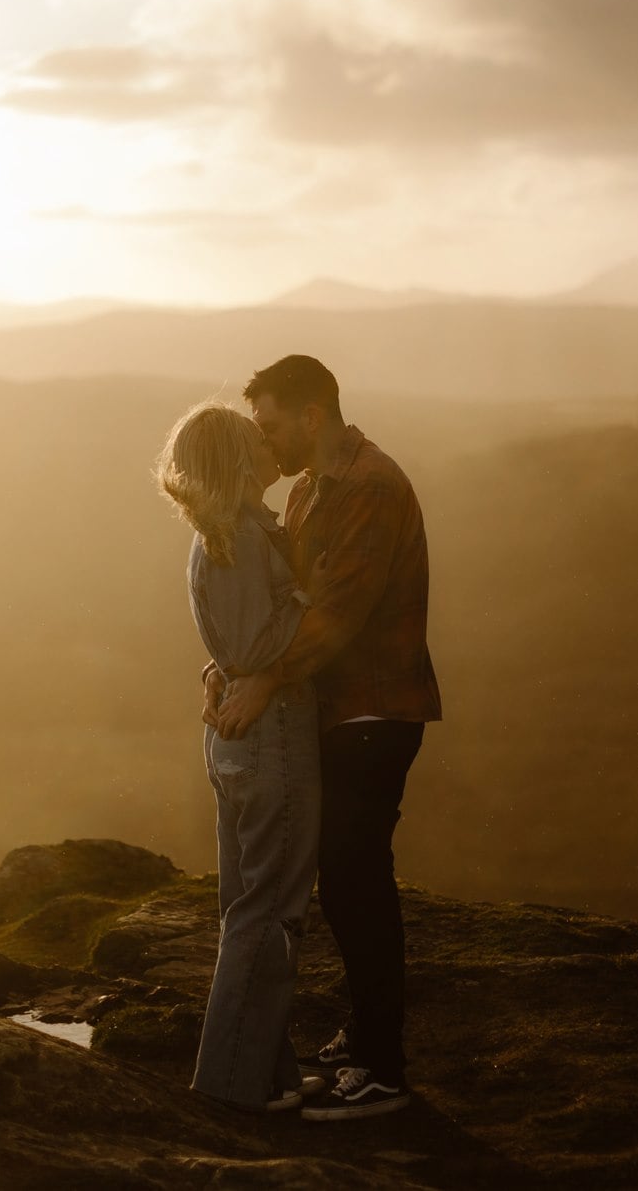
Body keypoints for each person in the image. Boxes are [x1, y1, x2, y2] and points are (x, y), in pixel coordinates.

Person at [207, 355, 441, 1122]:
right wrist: (230, 665)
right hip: (337, 712)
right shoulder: (310, 489)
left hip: (374, 711)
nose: (266, 445)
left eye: (273, 425)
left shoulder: (370, 485)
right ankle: (366, 1031)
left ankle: (383, 1067)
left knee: (354, 878)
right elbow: (283, 607)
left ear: (313, 414)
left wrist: (266, 681)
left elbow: (337, 613)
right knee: (342, 878)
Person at [155, 402, 324, 1113]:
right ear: (238, 459)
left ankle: (270, 1075)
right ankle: (226, 1094)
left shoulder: (216, 537)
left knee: (246, 909)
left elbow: (234, 648)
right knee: (269, 914)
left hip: (233, 742)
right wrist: (318, 599)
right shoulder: (247, 538)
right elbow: (258, 649)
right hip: (272, 735)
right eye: (256, 440)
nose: (269, 446)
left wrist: (215, 669)